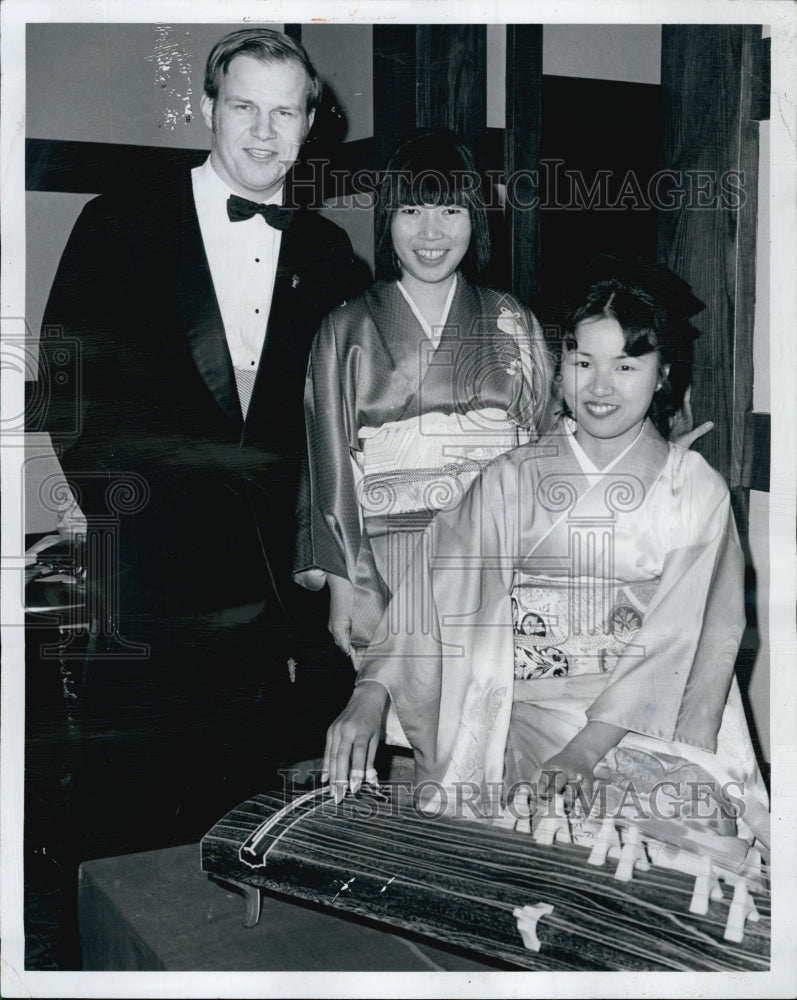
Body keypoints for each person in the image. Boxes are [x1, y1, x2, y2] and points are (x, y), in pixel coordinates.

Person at [37, 28, 367, 853]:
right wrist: (133, 520)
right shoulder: (119, 222)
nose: (263, 131)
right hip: (151, 576)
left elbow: (342, 429)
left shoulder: (330, 256)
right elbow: (70, 387)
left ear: (309, 123)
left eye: (284, 112)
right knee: (131, 826)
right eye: (245, 106)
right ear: (208, 109)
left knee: (254, 833)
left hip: (272, 597)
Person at [324, 257, 770, 865]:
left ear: (664, 375)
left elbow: (678, 644)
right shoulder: (512, 478)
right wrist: (371, 691)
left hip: (640, 717)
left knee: (703, 830)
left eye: (626, 366)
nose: (600, 387)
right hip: (520, 706)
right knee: (526, 824)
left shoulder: (697, 491)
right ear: (559, 366)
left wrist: (587, 749)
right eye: (582, 363)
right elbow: (435, 591)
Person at [293, 128, 551, 662]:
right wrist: (344, 584)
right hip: (387, 557)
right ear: (387, 219)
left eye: (450, 211)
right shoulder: (346, 328)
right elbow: (329, 465)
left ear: (474, 219)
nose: (430, 232)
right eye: (411, 210)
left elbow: (544, 446)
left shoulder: (512, 319)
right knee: (408, 722)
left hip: (498, 555)